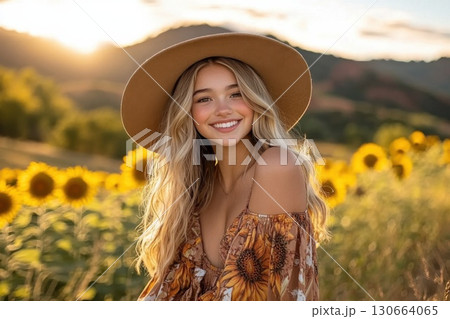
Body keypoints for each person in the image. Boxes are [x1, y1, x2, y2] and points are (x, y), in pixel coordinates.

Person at [121, 32, 329, 301]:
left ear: (255, 102)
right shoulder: (196, 187)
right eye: (204, 99)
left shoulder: (276, 167)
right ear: (188, 112)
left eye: (235, 94)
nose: (222, 109)